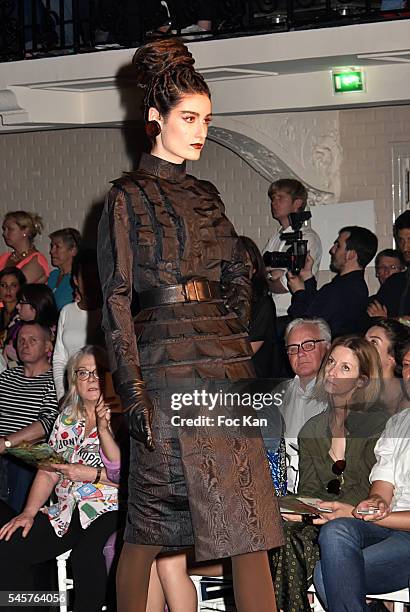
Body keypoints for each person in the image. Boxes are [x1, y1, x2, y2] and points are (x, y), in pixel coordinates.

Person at [98, 38, 283, 612]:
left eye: (206, 119)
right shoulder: (125, 198)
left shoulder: (207, 194)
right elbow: (116, 302)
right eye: (189, 118)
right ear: (155, 118)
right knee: (149, 526)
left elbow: (240, 268)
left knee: (247, 524)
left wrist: (221, 324)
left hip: (221, 367)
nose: (201, 130)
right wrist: (131, 391)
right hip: (161, 372)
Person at [0, 345, 122, 612]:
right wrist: (28, 513)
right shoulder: (66, 420)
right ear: (74, 382)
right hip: (67, 511)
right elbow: (48, 470)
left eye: (98, 372)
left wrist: (92, 475)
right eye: (83, 373)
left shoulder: (124, 418)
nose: (91, 378)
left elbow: (140, 479)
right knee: (10, 544)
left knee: (86, 558)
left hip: (112, 508)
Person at [270, 335, 387, 612]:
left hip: (366, 521)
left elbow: (376, 492)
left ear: (362, 381)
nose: (332, 372)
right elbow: (310, 490)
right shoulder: (312, 428)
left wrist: (319, 511)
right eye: (331, 362)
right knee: (277, 531)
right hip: (322, 517)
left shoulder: (378, 425)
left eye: (345, 368)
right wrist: (295, 507)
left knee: (297, 539)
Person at [314, 337, 410, 611]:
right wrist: (375, 503)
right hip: (390, 526)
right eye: (406, 366)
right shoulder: (399, 422)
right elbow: (382, 487)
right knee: (336, 531)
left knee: (325, 574)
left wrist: (362, 512)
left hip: (402, 533)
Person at [0, 322, 59, 512]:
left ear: (48, 347)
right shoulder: (7, 377)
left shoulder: (54, 380)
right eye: (21, 340)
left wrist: (7, 443)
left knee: (26, 464)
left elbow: (47, 423)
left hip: (28, 453)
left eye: (33, 340)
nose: (25, 344)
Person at [288, 226, 378, 337]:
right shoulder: (354, 287)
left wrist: (298, 293)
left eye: (338, 246)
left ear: (351, 255)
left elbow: (305, 326)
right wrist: (307, 276)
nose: (332, 250)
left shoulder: (341, 289)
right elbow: (315, 306)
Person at [279, 317, 330, 493]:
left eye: (308, 345)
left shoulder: (341, 396)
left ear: (328, 347)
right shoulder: (277, 396)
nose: (300, 353)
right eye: (293, 348)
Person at [263, 179, 322, 322]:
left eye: (280, 198)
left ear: (297, 203)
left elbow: (288, 283)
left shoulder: (308, 238)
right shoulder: (276, 237)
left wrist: (269, 279)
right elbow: (260, 269)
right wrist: (272, 276)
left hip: (293, 314)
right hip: (272, 314)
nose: (274, 203)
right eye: (272, 199)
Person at [53, 250, 104, 400]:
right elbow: (59, 358)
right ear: (76, 280)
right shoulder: (67, 311)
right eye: (86, 277)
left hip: (101, 392)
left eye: (96, 277)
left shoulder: (109, 313)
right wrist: (62, 395)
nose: (91, 283)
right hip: (73, 393)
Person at [239, 235, 279, 379]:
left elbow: (247, 351)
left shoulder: (262, 303)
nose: (239, 271)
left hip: (256, 383)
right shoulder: (224, 300)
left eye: (245, 265)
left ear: (254, 269)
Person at [3, 283, 58, 368]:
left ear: (35, 306)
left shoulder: (51, 334)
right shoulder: (16, 323)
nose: (17, 306)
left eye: (21, 303)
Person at [369, 211, 410, 318]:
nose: (405, 247)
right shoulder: (394, 282)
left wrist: (388, 321)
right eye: (401, 241)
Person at [365, 318, 410, 415]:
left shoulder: (405, 399)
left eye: (374, 342)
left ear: (392, 357)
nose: (363, 346)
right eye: (364, 341)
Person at [0, 211, 49, 283]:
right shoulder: (4, 257)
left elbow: (14, 287)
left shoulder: (37, 261)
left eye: (10, 229)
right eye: (4, 229)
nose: (4, 233)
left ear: (25, 231)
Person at [48, 227, 81, 310]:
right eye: (52, 246)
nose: (52, 251)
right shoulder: (53, 275)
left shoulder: (78, 279)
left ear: (73, 250)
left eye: (57, 247)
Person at [0, 267, 26, 350]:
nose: (8, 290)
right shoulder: (1, 313)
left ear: (20, 288)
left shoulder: (23, 316)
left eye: (13, 285)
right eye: (3, 285)